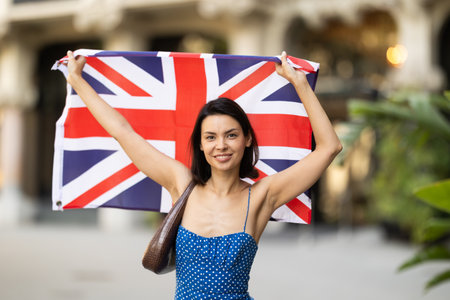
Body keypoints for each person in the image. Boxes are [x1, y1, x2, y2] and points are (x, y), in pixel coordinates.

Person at [65, 50, 342, 299]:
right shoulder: (181, 183)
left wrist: (300, 84)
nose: (220, 145)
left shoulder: (263, 195)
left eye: (231, 135)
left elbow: (329, 147)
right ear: (200, 143)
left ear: (247, 139)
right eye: (210, 137)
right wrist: (77, 81)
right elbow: (122, 131)